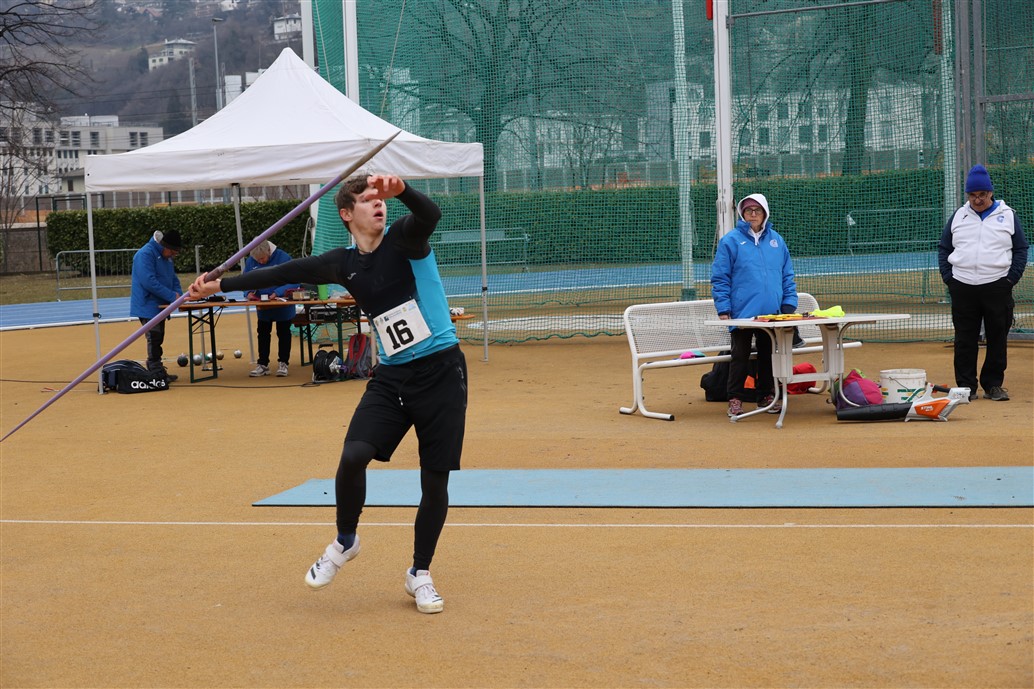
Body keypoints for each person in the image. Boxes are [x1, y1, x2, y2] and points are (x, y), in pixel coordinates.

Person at [189, 174, 464, 614]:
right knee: (354, 454)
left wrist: (403, 191)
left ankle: (420, 573)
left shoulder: (405, 239)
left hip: (441, 373)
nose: (379, 205)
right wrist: (218, 286)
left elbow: (430, 214)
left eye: (381, 199)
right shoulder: (343, 264)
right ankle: (345, 540)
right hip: (393, 376)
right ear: (346, 214)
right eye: (368, 200)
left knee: (434, 480)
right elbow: (283, 271)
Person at [938, 164, 1028, 401]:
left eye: (982, 194)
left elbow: (1021, 249)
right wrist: (949, 278)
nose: (977, 200)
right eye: (972, 195)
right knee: (964, 338)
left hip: (997, 285)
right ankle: (966, 386)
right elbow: (944, 248)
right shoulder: (958, 216)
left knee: (997, 337)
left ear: (991, 193)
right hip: (962, 285)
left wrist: (1010, 279)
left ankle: (993, 385)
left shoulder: (1008, 216)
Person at [711, 194, 799, 417]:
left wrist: (789, 303)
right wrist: (724, 308)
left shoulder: (777, 241)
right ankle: (735, 398)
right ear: (742, 214)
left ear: (765, 213)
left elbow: (787, 275)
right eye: (748, 210)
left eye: (757, 210)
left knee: (767, 354)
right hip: (742, 312)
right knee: (739, 355)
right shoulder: (730, 241)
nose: (753, 214)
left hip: (771, 313)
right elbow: (720, 277)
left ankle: (765, 396)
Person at [130, 229, 183, 382]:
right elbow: (149, 282)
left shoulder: (167, 256)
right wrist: (172, 296)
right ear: (164, 246)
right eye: (172, 252)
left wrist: (179, 295)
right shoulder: (145, 254)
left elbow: (173, 279)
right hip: (147, 304)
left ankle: (158, 369)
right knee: (154, 337)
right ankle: (155, 371)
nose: (172, 256)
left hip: (161, 305)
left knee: (159, 337)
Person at [244, 241, 299, 377]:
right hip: (263, 306)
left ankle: (283, 363)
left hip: (282, 305)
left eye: (262, 258)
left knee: (283, 332)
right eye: (258, 260)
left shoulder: (283, 257)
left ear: (269, 251)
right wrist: (248, 293)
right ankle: (263, 364)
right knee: (262, 333)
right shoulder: (251, 261)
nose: (260, 262)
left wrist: (277, 293)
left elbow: (294, 280)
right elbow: (245, 280)